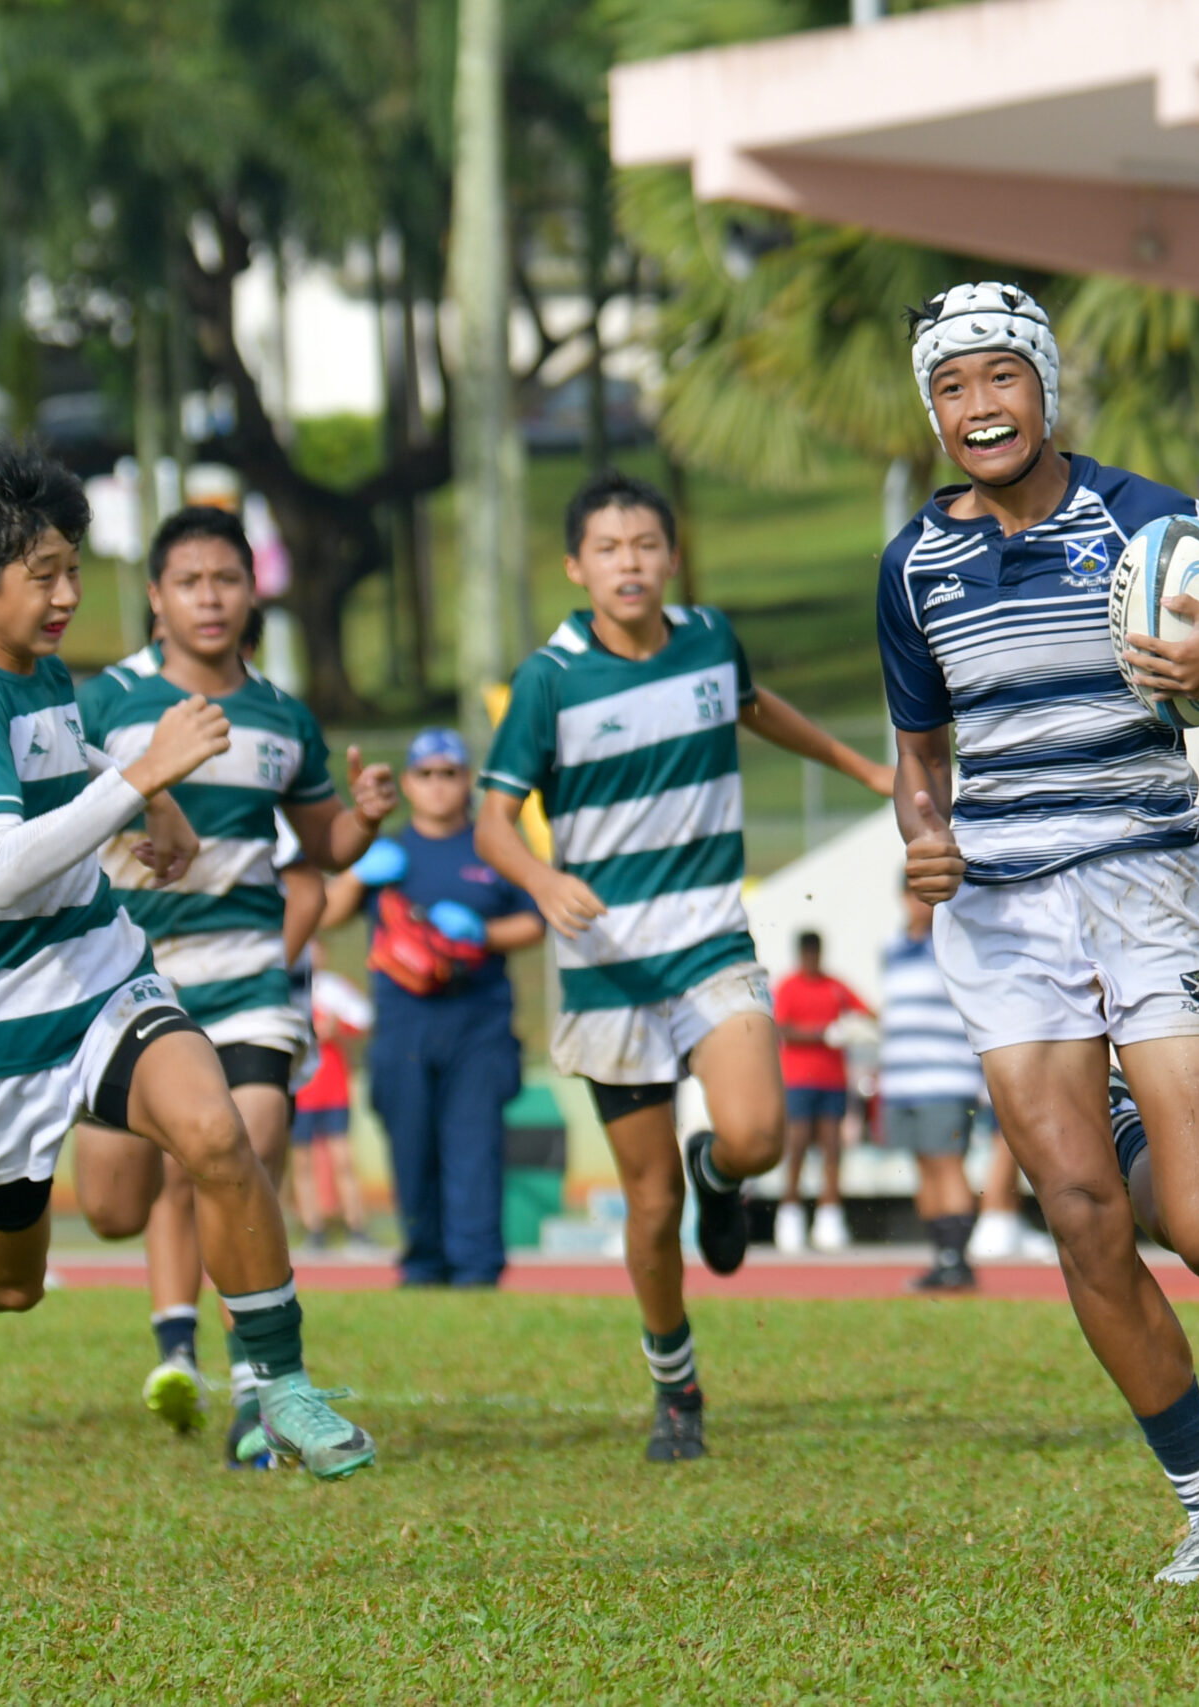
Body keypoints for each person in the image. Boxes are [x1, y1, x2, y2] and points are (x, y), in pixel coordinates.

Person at [880, 282, 1199, 1583]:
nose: (979, 406)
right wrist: (921, 826)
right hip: (1002, 908)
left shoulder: (1142, 516)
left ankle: (1135, 1118)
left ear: (1043, 386)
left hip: (1148, 881)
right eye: (953, 386)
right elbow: (921, 752)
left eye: (999, 377)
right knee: (1082, 1215)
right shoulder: (914, 564)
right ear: (935, 409)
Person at [0, 438, 373, 1479]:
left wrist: (160, 801)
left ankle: (278, 1387)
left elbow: (76, 751)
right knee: (11, 1280)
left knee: (217, 1135)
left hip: (100, 969)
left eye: (71, 569)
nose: (65, 594)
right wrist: (146, 770)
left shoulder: (35, 666)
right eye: (43, 574)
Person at [477, 469, 892, 1465]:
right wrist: (539, 879)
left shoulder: (708, 637)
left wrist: (863, 769)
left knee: (756, 1136)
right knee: (649, 1206)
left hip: (709, 939)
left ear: (671, 557)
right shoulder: (550, 678)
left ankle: (723, 1171)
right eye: (609, 550)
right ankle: (676, 1384)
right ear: (577, 567)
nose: (630, 563)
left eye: (646, 546)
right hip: (607, 965)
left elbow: (755, 708)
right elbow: (494, 820)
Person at [66, 504, 397, 1451]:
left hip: (251, 968)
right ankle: (183, 1342)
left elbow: (325, 839)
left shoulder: (283, 715)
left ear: (254, 592)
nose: (210, 598)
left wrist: (364, 818)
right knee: (116, 1206)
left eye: (227, 579)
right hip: (127, 975)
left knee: (248, 1148)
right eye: (190, 582)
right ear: (156, 601)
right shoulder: (105, 704)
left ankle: (261, 1387)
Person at [322, 728, 544, 1288]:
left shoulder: (495, 846)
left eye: (450, 773)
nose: (439, 785)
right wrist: (355, 872)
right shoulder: (387, 851)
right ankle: (423, 1264)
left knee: (474, 1148)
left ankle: (476, 1270)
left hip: (478, 1021)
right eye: (426, 774)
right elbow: (324, 915)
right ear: (409, 783)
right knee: (412, 1146)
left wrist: (482, 933)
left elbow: (536, 920)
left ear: (468, 781)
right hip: (404, 1023)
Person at [879, 878, 988, 1292]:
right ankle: (940, 1257)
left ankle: (957, 1259)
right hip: (902, 1078)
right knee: (923, 1167)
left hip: (947, 1076)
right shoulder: (891, 948)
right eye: (909, 892)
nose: (916, 902)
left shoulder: (953, 944)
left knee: (947, 1163)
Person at [772, 931, 870, 1252]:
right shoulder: (788, 986)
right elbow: (781, 1028)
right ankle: (790, 1213)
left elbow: (866, 1012)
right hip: (799, 1078)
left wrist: (854, 1029)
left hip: (832, 1080)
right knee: (798, 1143)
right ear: (802, 954)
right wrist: (820, 1033)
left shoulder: (835, 986)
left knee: (831, 1145)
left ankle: (830, 1213)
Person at [290, 966, 372, 1252]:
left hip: (334, 1092)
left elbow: (361, 1020)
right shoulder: (287, 991)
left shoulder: (331, 989)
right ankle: (314, 1231)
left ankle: (357, 1229)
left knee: (343, 1161)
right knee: (302, 1164)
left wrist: (336, 1029)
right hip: (301, 1091)